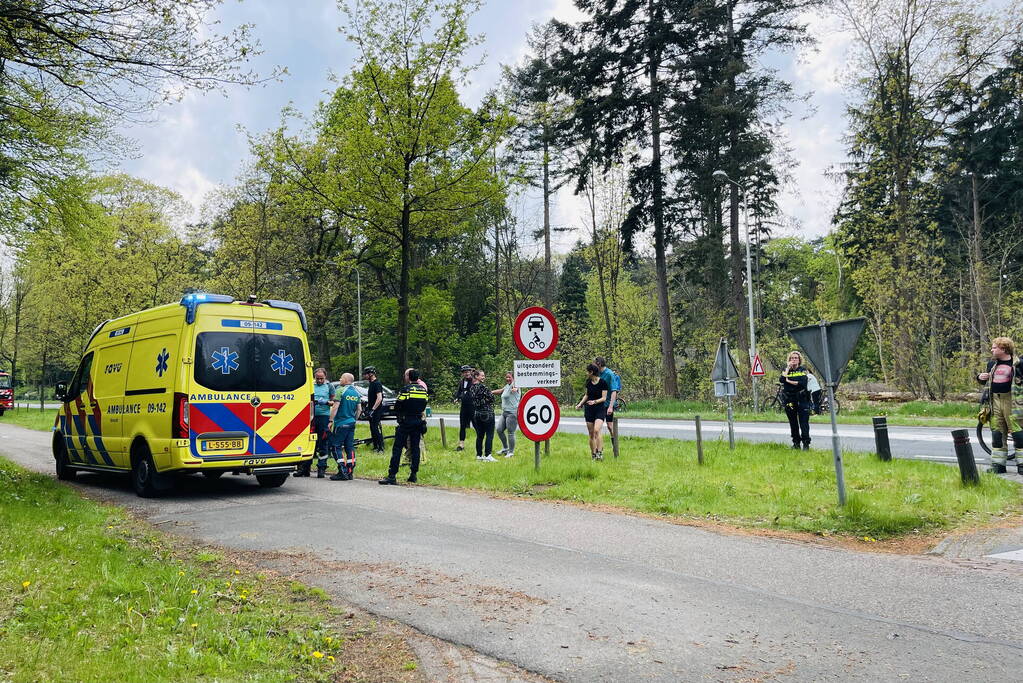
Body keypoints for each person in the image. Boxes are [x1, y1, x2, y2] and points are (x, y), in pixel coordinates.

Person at [977, 337, 1023, 473]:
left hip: (1013, 402)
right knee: (997, 434)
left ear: (1003, 349)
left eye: (994, 347)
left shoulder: (1019, 364)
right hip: (995, 402)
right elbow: (985, 382)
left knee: (1018, 434)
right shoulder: (992, 365)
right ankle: (998, 465)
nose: (991, 350)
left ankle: (1022, 465)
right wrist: (980, 377)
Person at [379, 368, 429, 485]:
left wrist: (402, 413)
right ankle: (413, 474)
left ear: (409, 377)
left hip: (406, 421)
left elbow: (398, 405)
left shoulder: (406, 389)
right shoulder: (423, 390)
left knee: (397, 448)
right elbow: (424, 404)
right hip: (418, 421)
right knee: (415, 448)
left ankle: (392, 475)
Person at [298, 368, 335, 478]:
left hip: (323, 417)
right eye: (317, 378)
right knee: (308, 442)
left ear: (325, 377)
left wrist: (326, 403)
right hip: (310, 417)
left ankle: (321, 468)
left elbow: (334, 402)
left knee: (323, 442)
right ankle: (305, 469)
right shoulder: (311, 385)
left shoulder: (329, 386)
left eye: (321, 379)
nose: (319, 381)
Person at [329, 372, 361, 481]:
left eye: (341, 377)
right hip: (351, 423)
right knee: (349, 447)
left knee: (335, 446)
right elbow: (359, 409)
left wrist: (330, 420)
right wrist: (353, 419)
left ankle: (342, 471)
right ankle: (350, 471)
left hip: (341, 423)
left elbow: (335, 407)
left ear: (346, 380)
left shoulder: (340, 390)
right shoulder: (356, 393)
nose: (339, 379)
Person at [576, 363, 609, 460]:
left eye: (587, 371)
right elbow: (586, 395)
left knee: (596, 430)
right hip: (589, 410)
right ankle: (593, 454)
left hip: (599, 409)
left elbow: (604, 398)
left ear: (592, 372)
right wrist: (580, 404)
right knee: (591, 433)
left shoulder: (603, 383)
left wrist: (594, 401)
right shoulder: (588, 382)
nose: (586, 373)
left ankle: (600, 453)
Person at [780, 351, 811, 450]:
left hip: (801, 399)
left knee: (804, 423)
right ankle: (796, 443)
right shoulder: (786, 370)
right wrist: (788, 368)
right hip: (789, 399)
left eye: (796, 358)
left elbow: (802, 383)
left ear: (799, 360)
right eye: (792, 358)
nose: (793, 360)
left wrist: (788, 381)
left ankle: (806, 444)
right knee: (793, 423)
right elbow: (781, 380)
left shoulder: (803, 370)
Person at [469, 369, 496, 461]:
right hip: (487, 412)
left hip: (477, 413)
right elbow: (492, 398)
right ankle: (488, 455)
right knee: (489, 435)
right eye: (482, 375)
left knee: (480, 435)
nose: (483, 377)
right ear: (476, 376)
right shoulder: (483, 387)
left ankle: (479, 455)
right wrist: (487, 399)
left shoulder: (472, 387)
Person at [594, 356, 621, 442]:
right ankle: (598, 447)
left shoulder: (609, 374)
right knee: (597, 426)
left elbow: (614, 391)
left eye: (595, 364)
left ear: (599, 364)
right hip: (598, 403)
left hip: (607, 403)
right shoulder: (597, 373)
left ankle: (614, 442)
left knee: (609, 425)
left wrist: (610, 406)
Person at [493, 371, 520, 457]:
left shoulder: (515, 385)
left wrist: (515, 388)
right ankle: (505, 448)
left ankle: (511, 452)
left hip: (512, 413)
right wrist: (491, 392)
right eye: (506, 377)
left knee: (510, 432)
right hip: (504, 412)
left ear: (513, 378)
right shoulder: (507, 386)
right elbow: (501, 391)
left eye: (509, 377)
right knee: (499, 430)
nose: (508, 379)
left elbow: (516, 388)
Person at [363, 366, 385, 453]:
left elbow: (379, 398)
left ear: (371, 374)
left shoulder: (377, 384)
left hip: (376, 410)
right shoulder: (371, 384)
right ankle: (375, 446)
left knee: (375, 428)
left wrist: (373, 409)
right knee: (372, 428)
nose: (364, 376)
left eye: (366, 374)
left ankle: (381, 447)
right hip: (371, 409)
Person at [454, 365, 475, 451]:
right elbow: (459, 391)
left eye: (468, 372)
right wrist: (457, 398)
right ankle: (461, 444)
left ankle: (481, 442)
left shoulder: (474, 381)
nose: (466, 373)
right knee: (462, 425)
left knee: (476, 424)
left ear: (470, 372)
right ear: (462, 373)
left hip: (472, 406)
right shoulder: (462, 381)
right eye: (464, 372)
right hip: (464, 406)